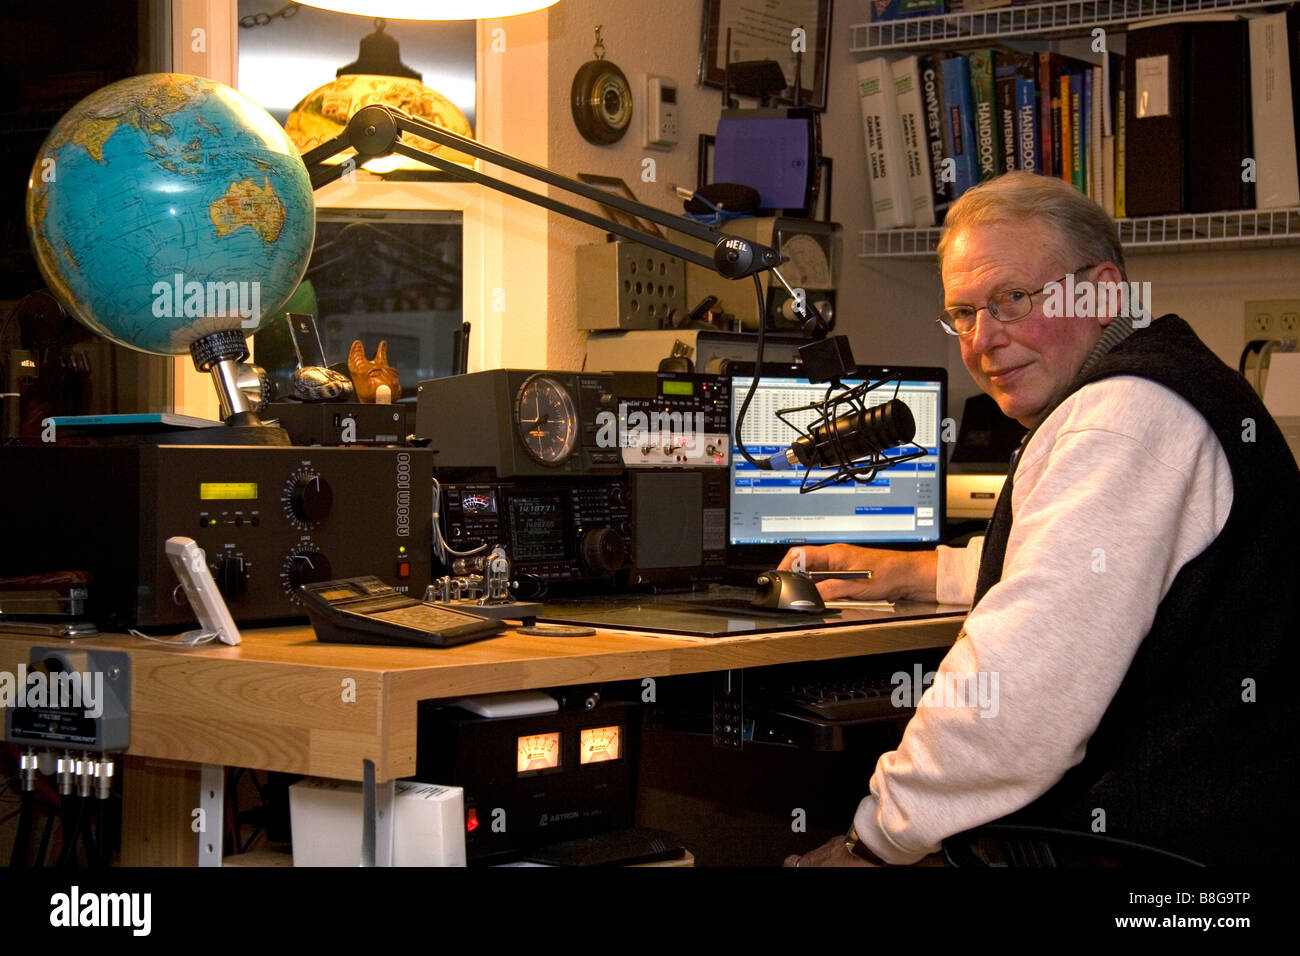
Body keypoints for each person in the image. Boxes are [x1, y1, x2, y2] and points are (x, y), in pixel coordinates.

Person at [782, 172, 1299, 867]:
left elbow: (1019, 700)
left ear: (1103, 290)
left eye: (1012, 300)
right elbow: (1092, 573)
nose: (982, 341)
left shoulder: (1123, 419)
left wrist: (875, 839)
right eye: (963, 313)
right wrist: (921, 570)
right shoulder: (1157, 384)